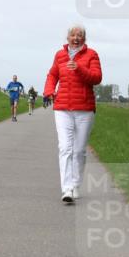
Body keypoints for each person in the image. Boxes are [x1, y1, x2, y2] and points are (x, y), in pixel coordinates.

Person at [43, 24, 102, 203]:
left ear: (84, 39)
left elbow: (97, 78)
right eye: (73, 35)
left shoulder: (92, 54)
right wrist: (48, 90)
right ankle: (67, 189)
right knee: (65, 148)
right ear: (67, 38)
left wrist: (78, 68)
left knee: (78, 150)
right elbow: (53, 75)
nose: (76, 38)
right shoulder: (59, 55)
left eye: (80, 35)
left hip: (84, 108)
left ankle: (76, 184)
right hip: (62, 108)